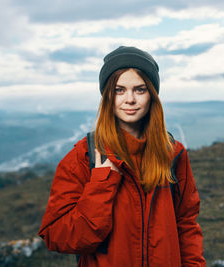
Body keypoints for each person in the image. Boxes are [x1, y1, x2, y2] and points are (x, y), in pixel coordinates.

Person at [38, 46, 206, 266]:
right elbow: (58, 237)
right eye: (119, 90)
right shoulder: (84, 155)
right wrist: (101, 185)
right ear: (108, 95)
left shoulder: (173, 154)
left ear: (152, 95)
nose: (130, 99)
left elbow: (186, 226)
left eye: (140, 89)